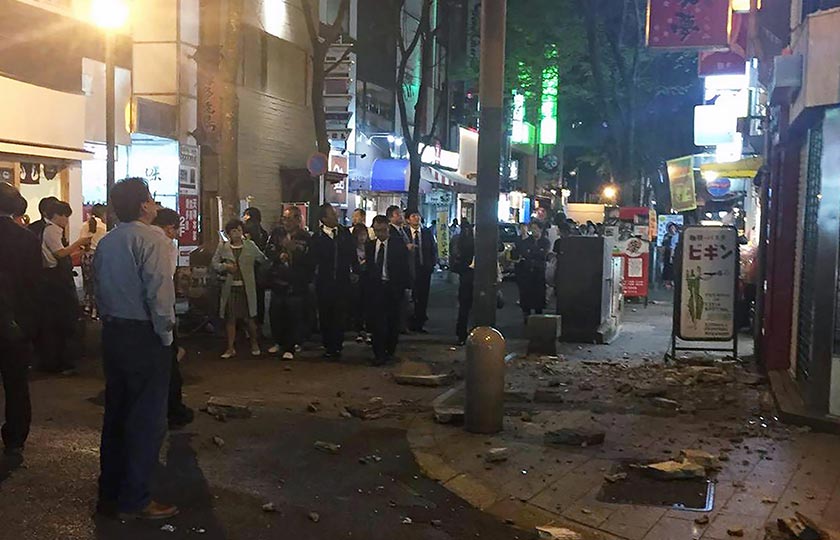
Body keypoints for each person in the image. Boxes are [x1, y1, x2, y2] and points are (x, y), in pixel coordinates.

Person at [94, 177, 179, 520]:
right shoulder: (154, 239)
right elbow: (160, 294)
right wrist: (167, 338)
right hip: (143, 335)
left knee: (116, 414)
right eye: (152, 200)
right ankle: (136, 500)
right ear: (144, 205)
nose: (156, 204)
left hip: (113, 332)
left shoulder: (108, 241)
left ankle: (110, 492)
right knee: (146, 419)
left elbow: (98, 290)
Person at [0, 182, 40, 467]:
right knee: (16, 385)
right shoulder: (26, 239)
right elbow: (33, 286)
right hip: (15, 324)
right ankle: (14, 440)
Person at [151, 208, 194, 429]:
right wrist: (168, 317)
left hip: (133, 314)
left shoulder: (129, 239)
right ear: (170, 227)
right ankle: (173, 410)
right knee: (169, 364)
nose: (177, 234)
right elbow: (163, 281)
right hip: (159, 310)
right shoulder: (165, 245)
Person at [38, 200, 90, 374]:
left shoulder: (51, 230)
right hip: (55, 280)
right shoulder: (52, 230)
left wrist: (78, 252)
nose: (67, 220)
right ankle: (59, 361)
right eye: (65, 216)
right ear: (56, 215)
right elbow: (59, 254)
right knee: (62, 320)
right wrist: (78, 243)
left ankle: (58, 359)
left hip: (53, 277)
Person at [213, 219, 267, 359]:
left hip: (247, 288)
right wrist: (225, 267)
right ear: (229, 233)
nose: (237, 233)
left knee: (249, 318)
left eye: (239, 230)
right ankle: (230, 348)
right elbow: (214, 263)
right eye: (233, 231)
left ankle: (254, 343)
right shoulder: (223, 247)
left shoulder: (250, 246)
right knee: (230, 318)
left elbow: (262, 259)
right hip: (229, 288)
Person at [309, 203, 357, 359]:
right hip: (324, 282)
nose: (336, 216)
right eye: (332, 213)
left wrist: (355, 271)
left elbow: (352, 255)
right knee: (325, 314)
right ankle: (329, 346)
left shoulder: (344, 234)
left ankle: (337, 345)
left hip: (342, 281)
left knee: (340, 314)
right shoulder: (317, 237)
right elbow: (313, 261)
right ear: (324, 218)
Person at [266, 206, 312, 360]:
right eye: (284, 218)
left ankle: (291, 346)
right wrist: (280, 255)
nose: (286, 222)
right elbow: (268, 251)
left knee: (294, 316)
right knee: (276, 314)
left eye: (289, 218)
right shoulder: (277, 234)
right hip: (278, 280)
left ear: (298, 219)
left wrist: (294, 252)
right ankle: (278, 342)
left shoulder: (305, 237)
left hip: (296, 283)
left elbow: (309, 260)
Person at [364, 215, 410, 365]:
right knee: (377, 322)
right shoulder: (370, 246)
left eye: (382, 230)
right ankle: (378, 354)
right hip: (376, 288)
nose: (380, 234)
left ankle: (389, 351)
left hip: (393, 287)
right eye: (376, 231)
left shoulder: (398, 245)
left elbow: (404, 268)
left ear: (387, 229)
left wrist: (405, 287)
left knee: (392, 322)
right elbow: (369, 268)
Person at [405, 209, 437, 332]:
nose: (416, 218)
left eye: (417, 216)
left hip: (425, 269)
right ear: (408, 219)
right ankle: (409, 322)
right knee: (411, 296)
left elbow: (432, 249)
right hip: (410, 270)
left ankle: (420, 323)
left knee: (423, 296)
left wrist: (432, 264)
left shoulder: (426, 232)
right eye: (413, 216)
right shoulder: (405, 233)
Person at [515, 221, 551, 322]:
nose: (533, 230)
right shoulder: (526, 241)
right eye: (532, 228)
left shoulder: (545, 241)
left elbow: (543, 254)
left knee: (538, 296)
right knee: (526, 296)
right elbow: (524, 253)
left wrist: (532, 253)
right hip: (527, 272)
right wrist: (533, 253)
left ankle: (538, 319)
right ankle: (526, 317)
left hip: (539, 272)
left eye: (535, 228)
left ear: (540, 229)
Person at [242, 207, 269, 330]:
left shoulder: (246, 229)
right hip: (261, 269)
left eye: (245, 215)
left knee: (248, 298)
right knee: (259, 297)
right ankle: (259, 324)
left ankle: (249, 326)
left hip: (248, 268)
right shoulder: (263, 231)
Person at [80, 204, 108, 319]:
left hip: (86, 257)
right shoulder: (104, 227)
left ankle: (87, 306)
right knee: (98, 284)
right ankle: (96, 311)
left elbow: (83, 244)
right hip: (98, 258)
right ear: (103, 214)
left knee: (88, 284)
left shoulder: (85, 225)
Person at [450, 221, 475, 346]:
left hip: (465, 275)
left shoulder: (458, 240)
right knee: (469, 306)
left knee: (464, 306)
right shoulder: (472, 240)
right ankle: (467, 333)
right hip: (471, 274)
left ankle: (461, 333)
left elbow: (454, 255)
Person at [351, 223, 371, 343]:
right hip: (357, 279)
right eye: (360, 235)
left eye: (364, 234)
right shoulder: (352, 249)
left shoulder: (370, 247)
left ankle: (367, 330)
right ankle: (359, 330)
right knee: (357, 305)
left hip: (368, 279)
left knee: (367, 305)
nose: (362, 237)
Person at [662, 222, 680, 289]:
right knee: (667, 267)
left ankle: (673, 281)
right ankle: (667, 282)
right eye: (671, 228)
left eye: (673, 227)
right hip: (667, 253)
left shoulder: (678, 235)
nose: (672, 229)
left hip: (676, 253)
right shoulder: (666, 236)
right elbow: (664, 245)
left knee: (674, 268)